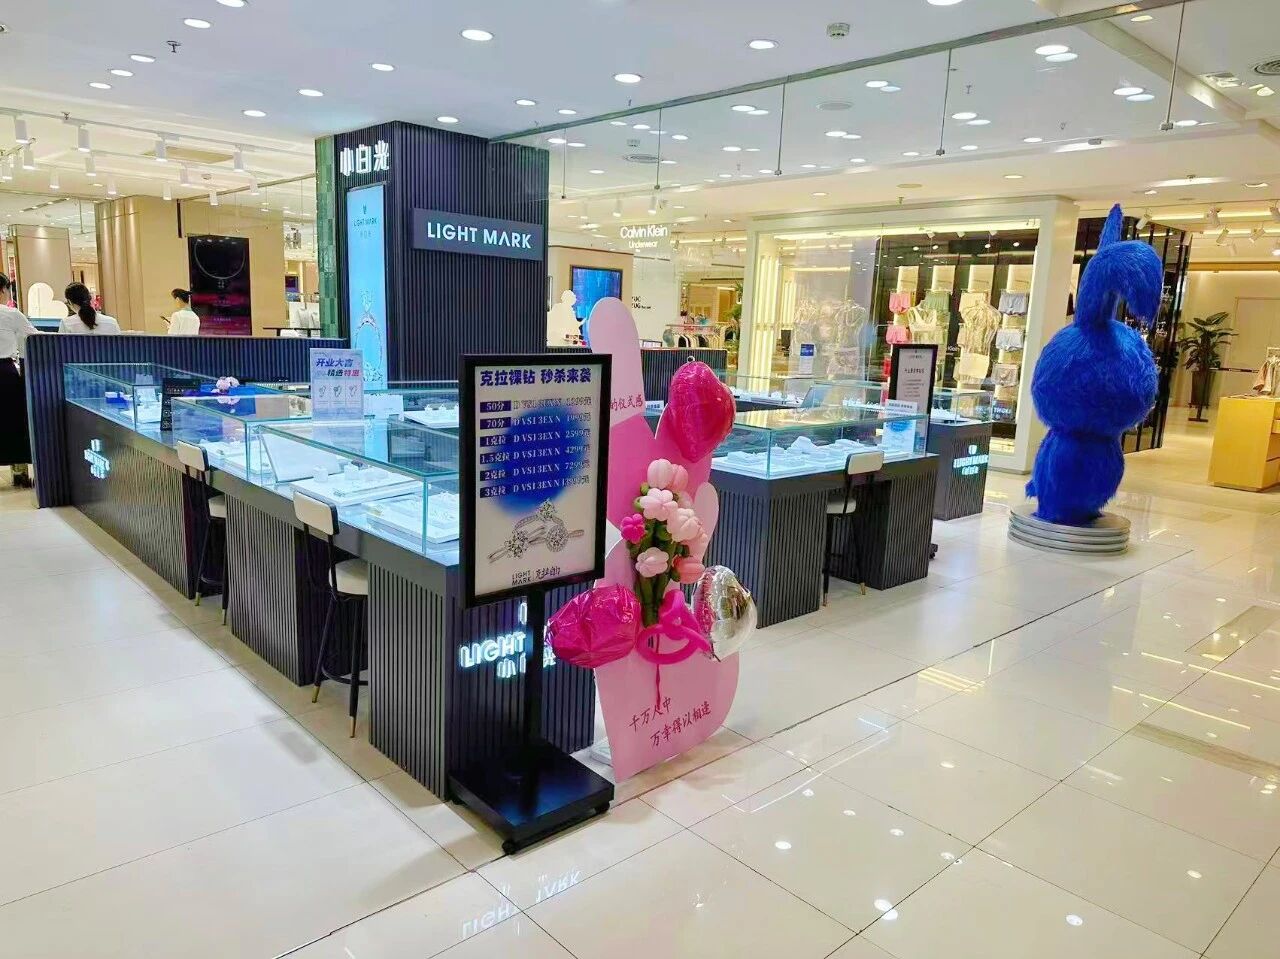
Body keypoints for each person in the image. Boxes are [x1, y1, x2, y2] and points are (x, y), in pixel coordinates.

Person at [0, 273, 38, 488]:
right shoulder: (11, 314)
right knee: (14, 421)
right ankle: (20, 472)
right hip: (5, 374)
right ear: (3, 290)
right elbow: (34, 337)